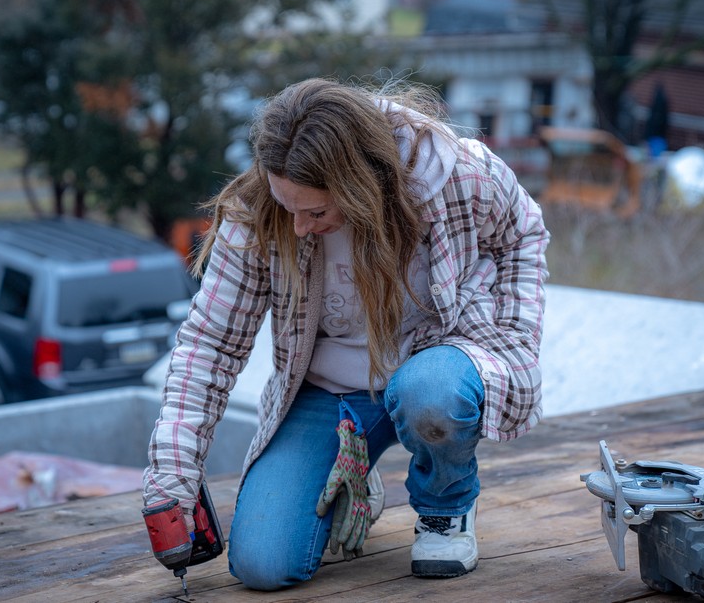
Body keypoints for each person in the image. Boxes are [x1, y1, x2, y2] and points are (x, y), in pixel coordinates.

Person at [143, 77, 549, 590]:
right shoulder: (258, 215)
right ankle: (351, 471)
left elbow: (523, 234)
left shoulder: (455, 175)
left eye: (315, 212)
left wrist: (513, 337)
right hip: (328, 395)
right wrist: (172, 477)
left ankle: (446, 508)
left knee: (430, 394)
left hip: (431, 366)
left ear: (362, 185)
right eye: (287, 205)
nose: (298, 227)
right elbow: (209, 346)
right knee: (263, 566)